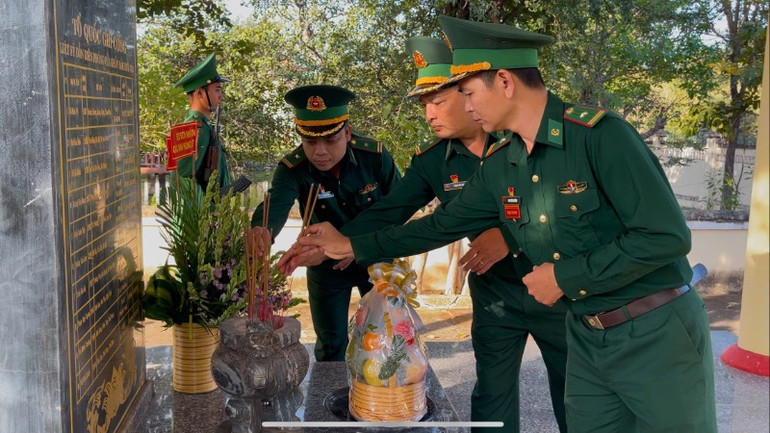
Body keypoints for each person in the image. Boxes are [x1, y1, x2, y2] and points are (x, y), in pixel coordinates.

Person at [290, 16, 717, 433]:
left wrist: (563, 275)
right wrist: (348, 245)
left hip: (653, 329)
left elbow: (666, 237)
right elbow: (440, 225)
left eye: (467, 92)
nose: (467, 106)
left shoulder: (599, 137)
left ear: (506, 83)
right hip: (583, 328)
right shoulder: (503, 163)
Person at [311, 37, 568, 432]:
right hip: (495, 296)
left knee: (575, 395)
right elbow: (391, 210)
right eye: (423, 104)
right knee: (492, 398)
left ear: (470, 94)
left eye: (439, 100)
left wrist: (507, 235)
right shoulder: (435, 161)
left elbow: (565, 211)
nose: (429, 114)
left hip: (557, 289)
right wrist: (330, 243)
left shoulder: (526, 137)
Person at [251, 84, 401, 362]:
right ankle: (329, 400)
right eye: (310, 142)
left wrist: (350, 244)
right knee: (331, 342)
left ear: (347, 132)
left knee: (386, 337)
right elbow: (276, 204)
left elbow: (398, 208)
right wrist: (262, 230)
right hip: (326, 266)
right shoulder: (292, 168)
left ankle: (381, 402)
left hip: (376, 259)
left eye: (331, 141)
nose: (320, 151)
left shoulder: (376, 157)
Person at [173, 52, 231, 190]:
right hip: (201, 211)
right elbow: (183, 182)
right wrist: (210, 210)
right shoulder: (191, 129)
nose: (221, 96)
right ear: (199, 93)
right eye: (217, 90)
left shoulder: (205, 126)